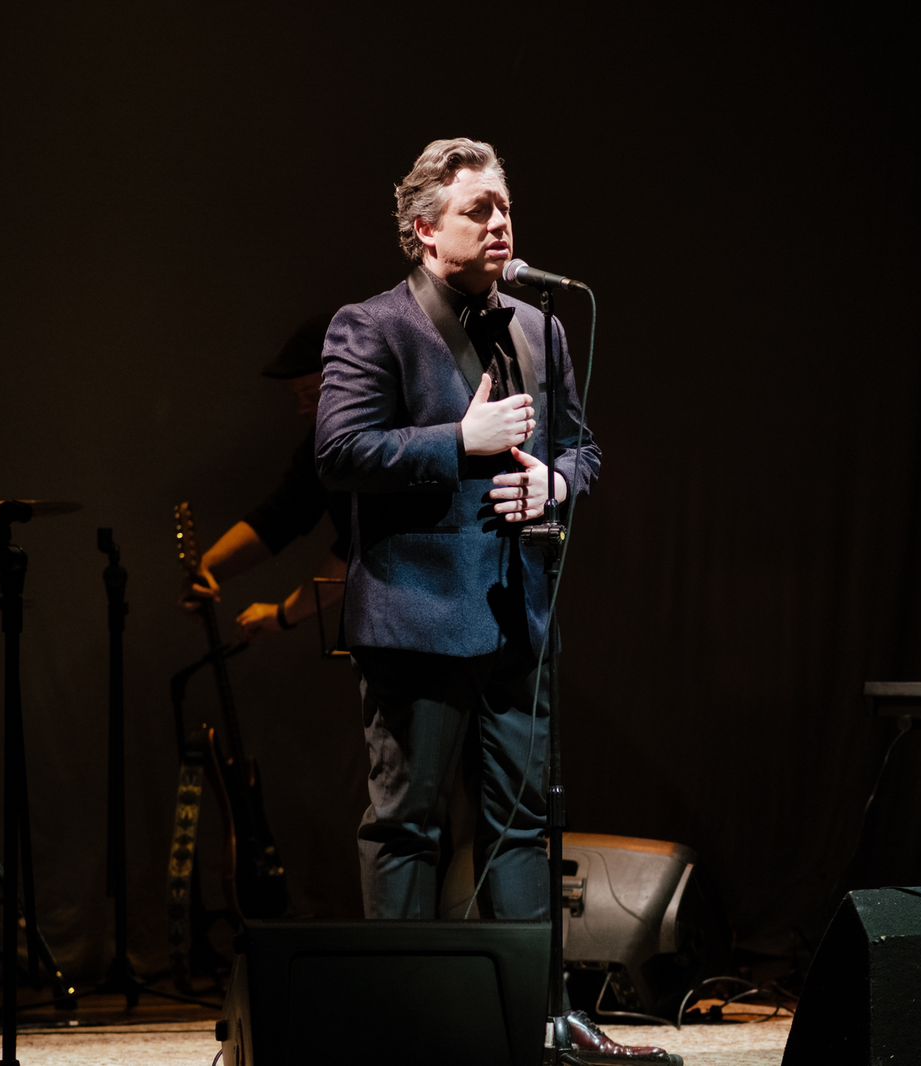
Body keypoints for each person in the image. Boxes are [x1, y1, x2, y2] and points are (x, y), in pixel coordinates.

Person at [317, 139, 670, 1064]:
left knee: (523, 830)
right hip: (415, 618)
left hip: (518, 619)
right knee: (409, 829)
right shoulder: (372, 326)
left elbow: (582, 450)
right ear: (425, 231)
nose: (501, 222)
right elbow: (340, 453)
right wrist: (458, 439)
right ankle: (398, 1032)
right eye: (479, 209)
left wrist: (555, 483)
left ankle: (537, 1022)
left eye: (505, 205)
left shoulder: (539, 327)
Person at [182, 316, 350, 643]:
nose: (303, 410)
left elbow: (361, 551)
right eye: (298, 397)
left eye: (311, 395)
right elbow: (284, 513)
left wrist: (284, 614)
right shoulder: (325, 447)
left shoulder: (393, 445)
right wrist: (208, 569)